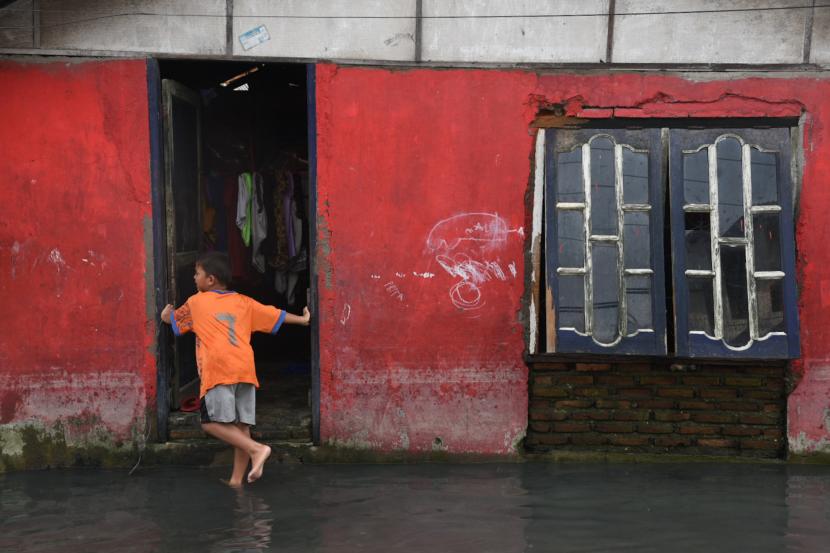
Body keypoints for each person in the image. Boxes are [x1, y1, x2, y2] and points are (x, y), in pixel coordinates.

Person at [160, 252, 310, 486]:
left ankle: (257, 450)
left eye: (197, 273)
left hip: (219, 370)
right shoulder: (243, 301)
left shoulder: (196, 301)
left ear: (210, 280)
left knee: (209, 423)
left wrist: (166, 315)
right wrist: (302, 320)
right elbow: (275, 315)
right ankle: (236, 481)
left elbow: (176, 324)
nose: (193, 278)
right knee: (241, 427)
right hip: (245, 369)